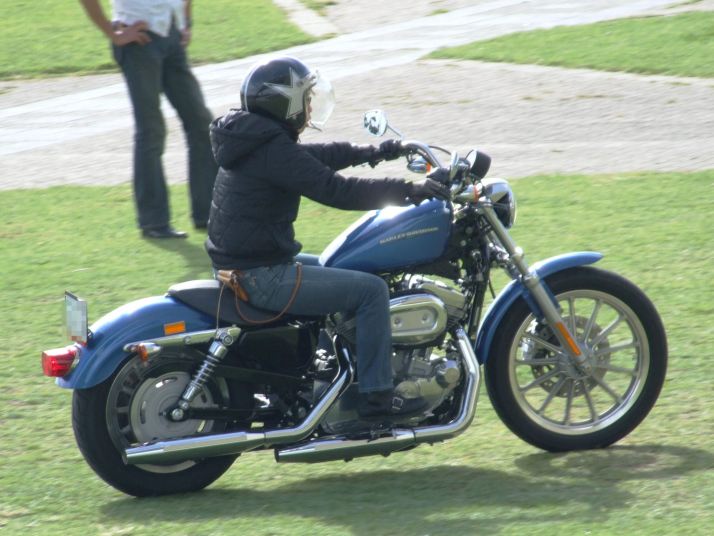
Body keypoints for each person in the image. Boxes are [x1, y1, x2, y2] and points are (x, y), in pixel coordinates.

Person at [206, 56, 450, 418]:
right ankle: (378, 398)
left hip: (249, 266)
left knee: (339, 267)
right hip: (261, 275)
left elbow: (316, 157)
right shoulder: (270, 149)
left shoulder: (254, 140)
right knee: (371, 291)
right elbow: (337, 190)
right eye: (305, 99)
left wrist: (378, 152)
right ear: (285, 103)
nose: (309, 107)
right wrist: (411, 191)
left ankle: (331, 376)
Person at [79, 0, 217, 238]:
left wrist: (185, 22)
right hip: (138, 41)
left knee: (200, 122)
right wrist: (113, 33)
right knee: (151, 129)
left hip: (171, 35)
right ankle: (154, 222)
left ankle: (208, 214)